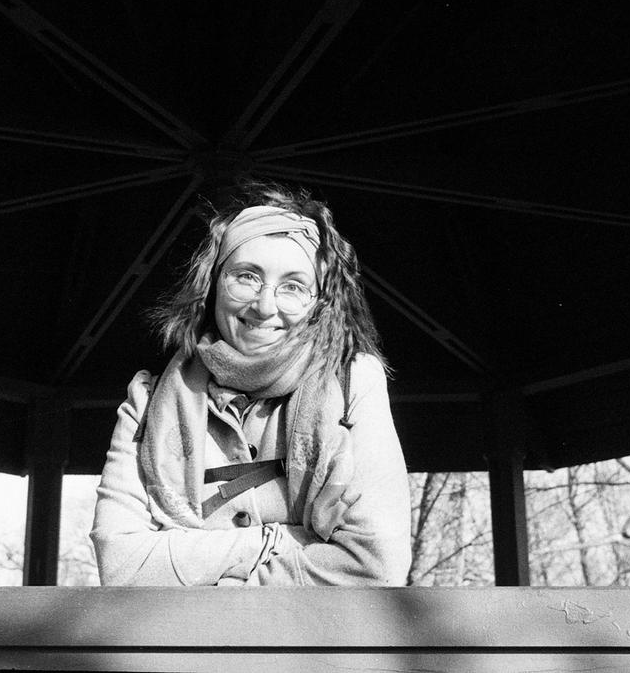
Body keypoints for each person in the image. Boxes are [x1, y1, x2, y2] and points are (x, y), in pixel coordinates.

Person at [90, 183, 411, 586]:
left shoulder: (353, 384)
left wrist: (210, 578)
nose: (264, 306)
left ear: (319, 303)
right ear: (212, 285)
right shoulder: (146, 402)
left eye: (294, 286)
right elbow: (123, 566)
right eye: (246, 277)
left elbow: (374, 564)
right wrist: (277, 541)